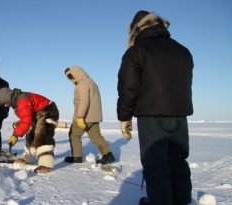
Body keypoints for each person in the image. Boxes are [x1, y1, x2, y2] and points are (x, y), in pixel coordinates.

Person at [117, 11, 193, 205]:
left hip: (151, 116)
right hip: (179, 115)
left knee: (156, 166)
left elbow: (128, 87)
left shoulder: (137, 51)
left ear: (135, 30)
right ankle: (181, 201)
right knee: (178, 163)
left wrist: (124, 117)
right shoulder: (182, 50)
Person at [0, 87, 59, 173]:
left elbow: (26, 120)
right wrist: (21, 122)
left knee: (42, 135)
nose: (5, 106)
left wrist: (15, 135)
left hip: (48, 111)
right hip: (38, 114)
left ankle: (46, 164)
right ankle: (28, 158)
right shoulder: (17, 101)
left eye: (5, 103)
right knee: (30, 135)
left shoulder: (21, 101)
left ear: (7, 98)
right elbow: (27, 116)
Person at [64, 65, 115, 164]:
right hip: (93, 117)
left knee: (74, 135)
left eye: (71, 76)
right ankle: (108, 155)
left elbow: (84, 102)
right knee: (96, 136)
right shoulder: (92, 83)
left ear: (76, 73)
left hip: (84, 117)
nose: (71, 80)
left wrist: (80, 117)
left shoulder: (82, 84)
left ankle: (76, 157)